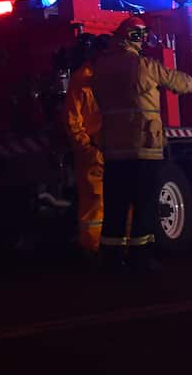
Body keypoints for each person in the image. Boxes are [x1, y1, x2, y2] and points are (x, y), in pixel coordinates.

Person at [91, 15, 192, 272]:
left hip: (114, 152)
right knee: (144, 206)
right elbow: (183, 84)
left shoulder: (101, 68)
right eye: (141, 35)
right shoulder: (145, 66)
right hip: (144, 148)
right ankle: (141, 258)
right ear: (134, 37)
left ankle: (110, 258)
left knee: (115, 207)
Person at [61, 33, 109, 257]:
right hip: (95, 153)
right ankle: (92, 248)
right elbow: (72, 120)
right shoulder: (82, 79)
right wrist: (88, 150)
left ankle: (123, 246)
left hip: (116, 149)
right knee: (94, 202)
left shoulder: (111, 75)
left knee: (122, 199)